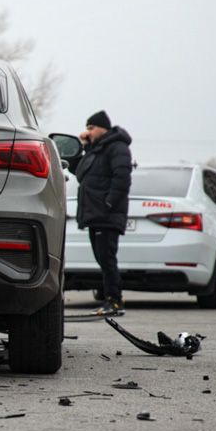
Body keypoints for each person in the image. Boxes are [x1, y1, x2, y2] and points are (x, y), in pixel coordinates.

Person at [73, 110, 132, 316]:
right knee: (102, 259)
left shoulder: (117, 147)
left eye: (91, 128)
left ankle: (114, 302)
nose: (87, 131)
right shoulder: (96, 149)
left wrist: (108, 203)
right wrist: (84, 147)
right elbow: (80, 173)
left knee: (107, 259)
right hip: (95, 214)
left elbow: (122, 178)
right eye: (87, 128)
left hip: (106, 214)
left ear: (103, 128)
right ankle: (112, 299)